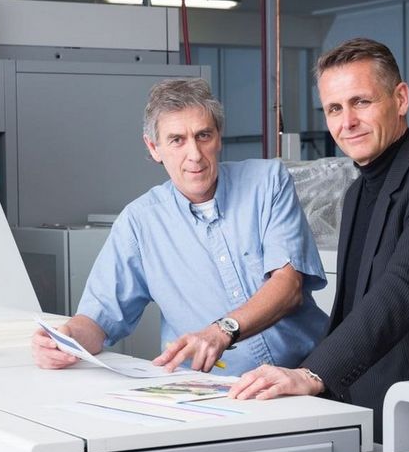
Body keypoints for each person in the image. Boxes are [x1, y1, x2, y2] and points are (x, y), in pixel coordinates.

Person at [229, 38, 409, 443]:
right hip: (363, 407)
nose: (346, 122)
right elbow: (349, 312)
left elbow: (401, 292)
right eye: (334, 108)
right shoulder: (356, 192)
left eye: (361, 102)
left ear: (400, 99)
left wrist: (312, 374)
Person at [32, 78, 328, 376]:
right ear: (154, 147)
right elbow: (99, 319)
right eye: (177, 140)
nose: (195, 154)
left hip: (306, 377)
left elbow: (289, 287)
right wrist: (66, 338)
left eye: (203, 135)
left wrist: (221, 331)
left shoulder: (267, 183)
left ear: (219, 137)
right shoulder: (139, 223)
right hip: (218, 394)